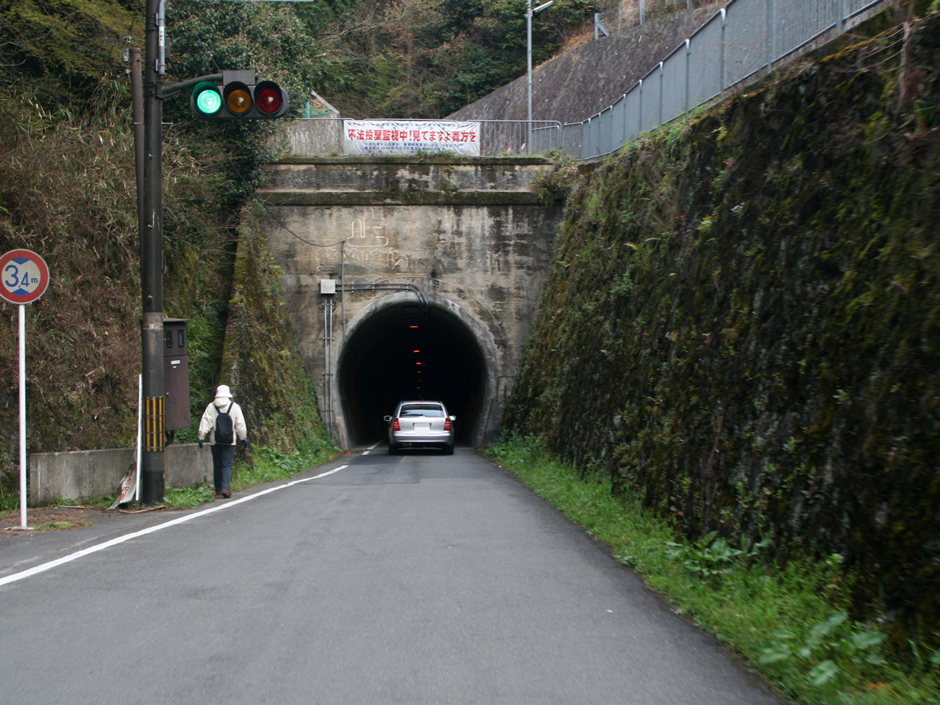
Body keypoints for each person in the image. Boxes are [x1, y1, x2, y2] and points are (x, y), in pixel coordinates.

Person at [197, 384, 248, 499]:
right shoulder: (234, 407)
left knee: (217, 465)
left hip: (215, 441)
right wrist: (243, 438)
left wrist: (201, 437)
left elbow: (206, 422)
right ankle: (226, 487)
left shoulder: (211, 407)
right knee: (227, 465)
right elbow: (240, 425)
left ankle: (218, 489)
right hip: (230, 442)